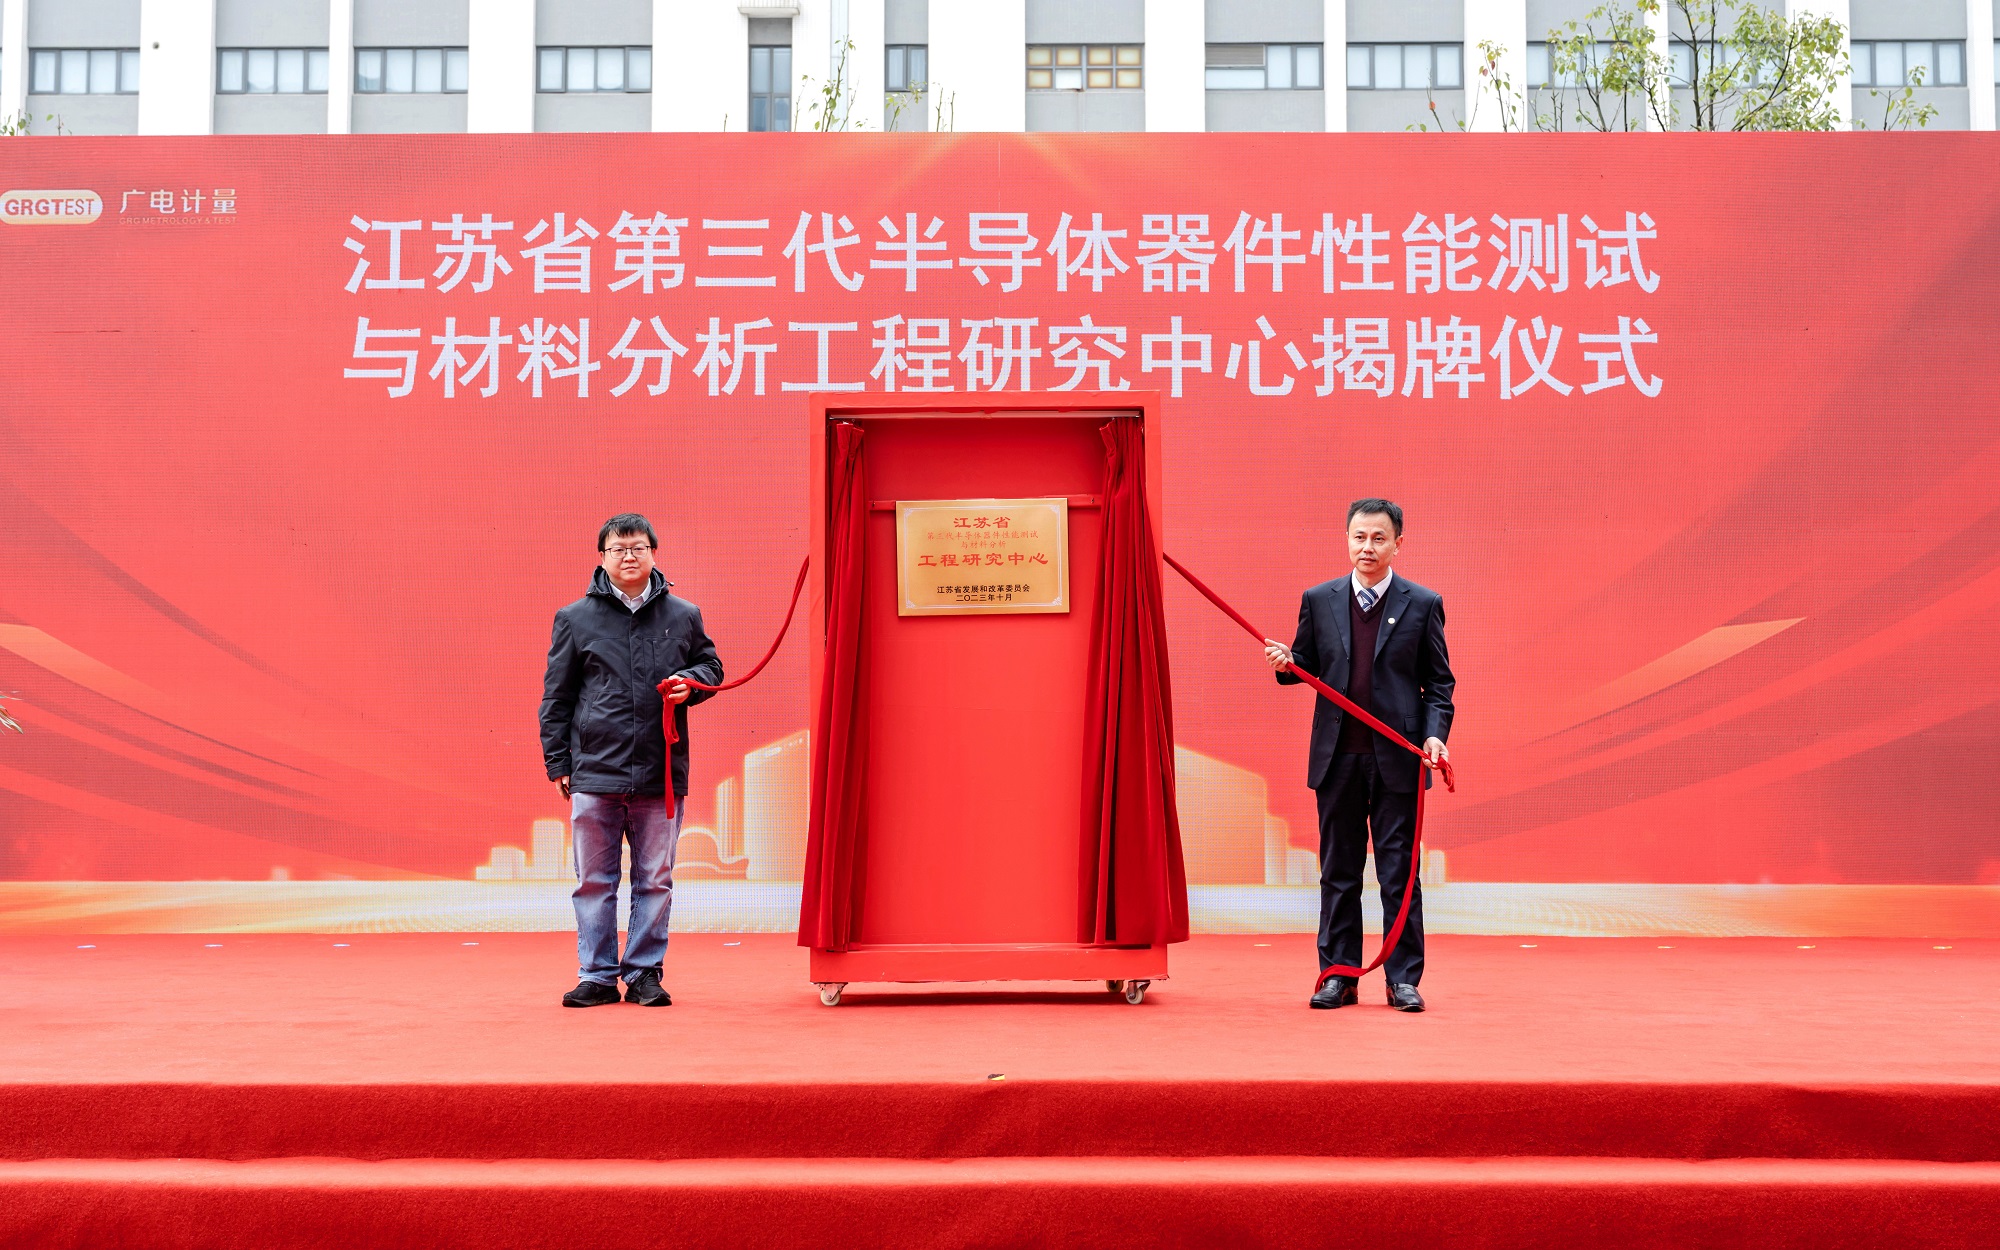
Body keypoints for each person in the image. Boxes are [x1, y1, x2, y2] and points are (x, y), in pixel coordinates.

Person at [1264, 498, 1454, 1013]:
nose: (1367, 547)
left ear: (1398, 543)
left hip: (1398, 760)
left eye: (1378, 538)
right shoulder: (1319, 599)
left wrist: (1435, 736)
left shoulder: (1423, 603)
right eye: (1358, 537)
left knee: (1400, 875)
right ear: (1347, 539)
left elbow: (1439, 684)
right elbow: (1306, 663)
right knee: (1339, 873)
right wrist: (1287, 662)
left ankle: (1402, 980)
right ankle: (1338, 976)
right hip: (1337, 760)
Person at [540, 514, 723, 1008]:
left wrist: (691, 684)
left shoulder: (683, 614)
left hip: (660, 770)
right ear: (602, 557)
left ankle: (643, 973)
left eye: (638, 547)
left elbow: (711, 666)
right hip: (594, 772)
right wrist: (558, 762)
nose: (628, 556)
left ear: (653, 553)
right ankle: (597, 975)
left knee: (655, 880)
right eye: (618, 549)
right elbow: (557, 697)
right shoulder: (574, 618)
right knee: (593, 882)